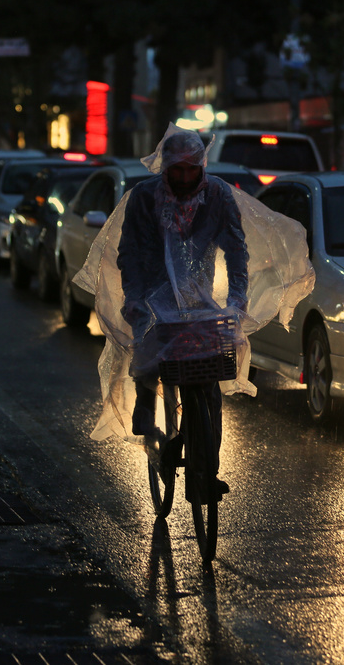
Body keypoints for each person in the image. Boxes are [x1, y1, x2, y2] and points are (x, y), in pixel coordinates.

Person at [74, 124, 315, 497]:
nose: (186, 178)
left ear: (202, 167)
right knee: (149, 349)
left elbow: (237, 251)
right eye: (178, 170)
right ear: (165, 167)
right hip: (152, 296)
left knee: (207, 385)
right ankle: (144, 395)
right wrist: (137, 299)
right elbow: (130, 254)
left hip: (199, 297)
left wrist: (237, 301)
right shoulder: (143, 198)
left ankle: (206, 473)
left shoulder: (217, 195)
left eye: (192, 170)